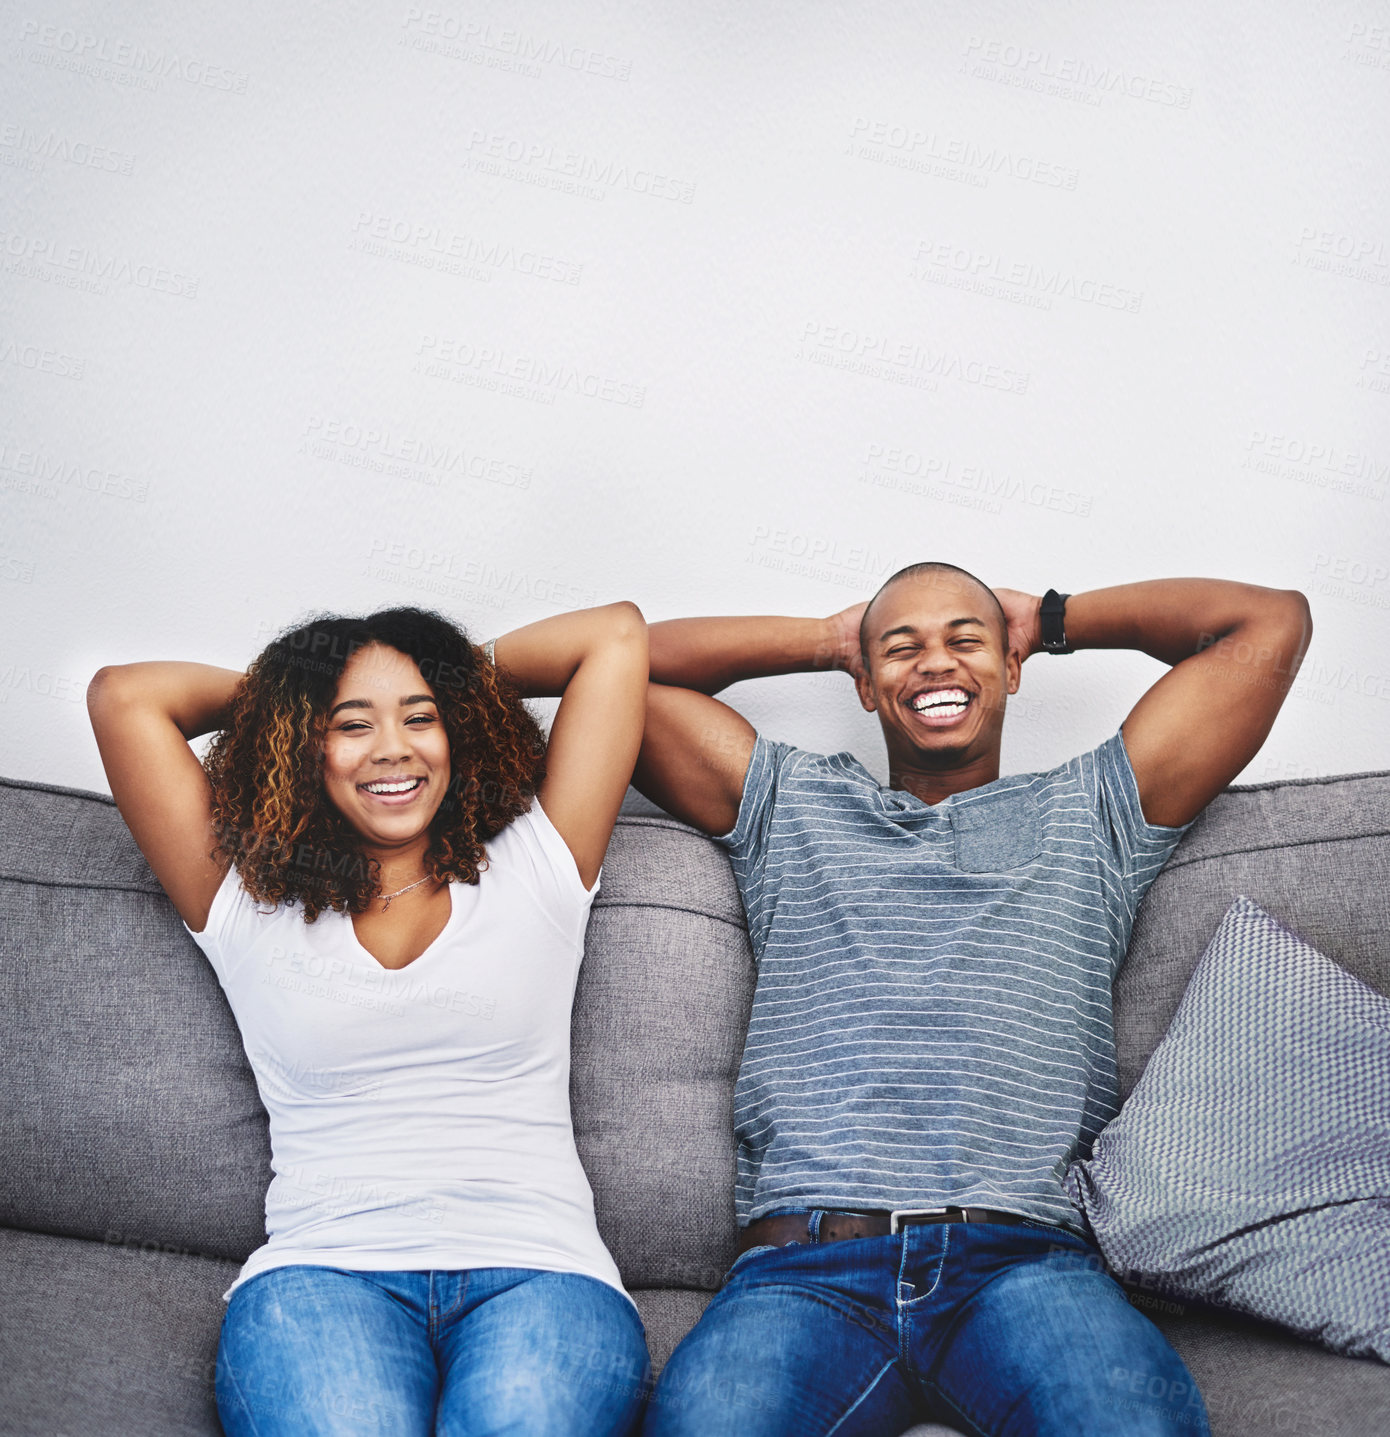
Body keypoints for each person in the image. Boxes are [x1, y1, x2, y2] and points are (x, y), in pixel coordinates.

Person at [630, 566, 1312, 1437]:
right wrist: (829, 639)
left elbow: (1271, 624)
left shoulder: (1096, 809)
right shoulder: (788, 804)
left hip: (1021, 1262)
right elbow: (620, 669)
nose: (935, 663)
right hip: (807, 1269)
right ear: (869, 686)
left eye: (966, 640)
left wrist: (1052, 617)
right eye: (901, 648)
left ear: (1012, 666)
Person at [86, 602, 652, 1437]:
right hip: (324, 1275)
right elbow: (122, 697)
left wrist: (427, 680)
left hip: (541, 1269)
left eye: (422, 718)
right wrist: (295, 691)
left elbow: (617, 635)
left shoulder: (539, 863)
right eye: (351, 725)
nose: (393, 747)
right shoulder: (244, 900)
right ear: (303, 742)